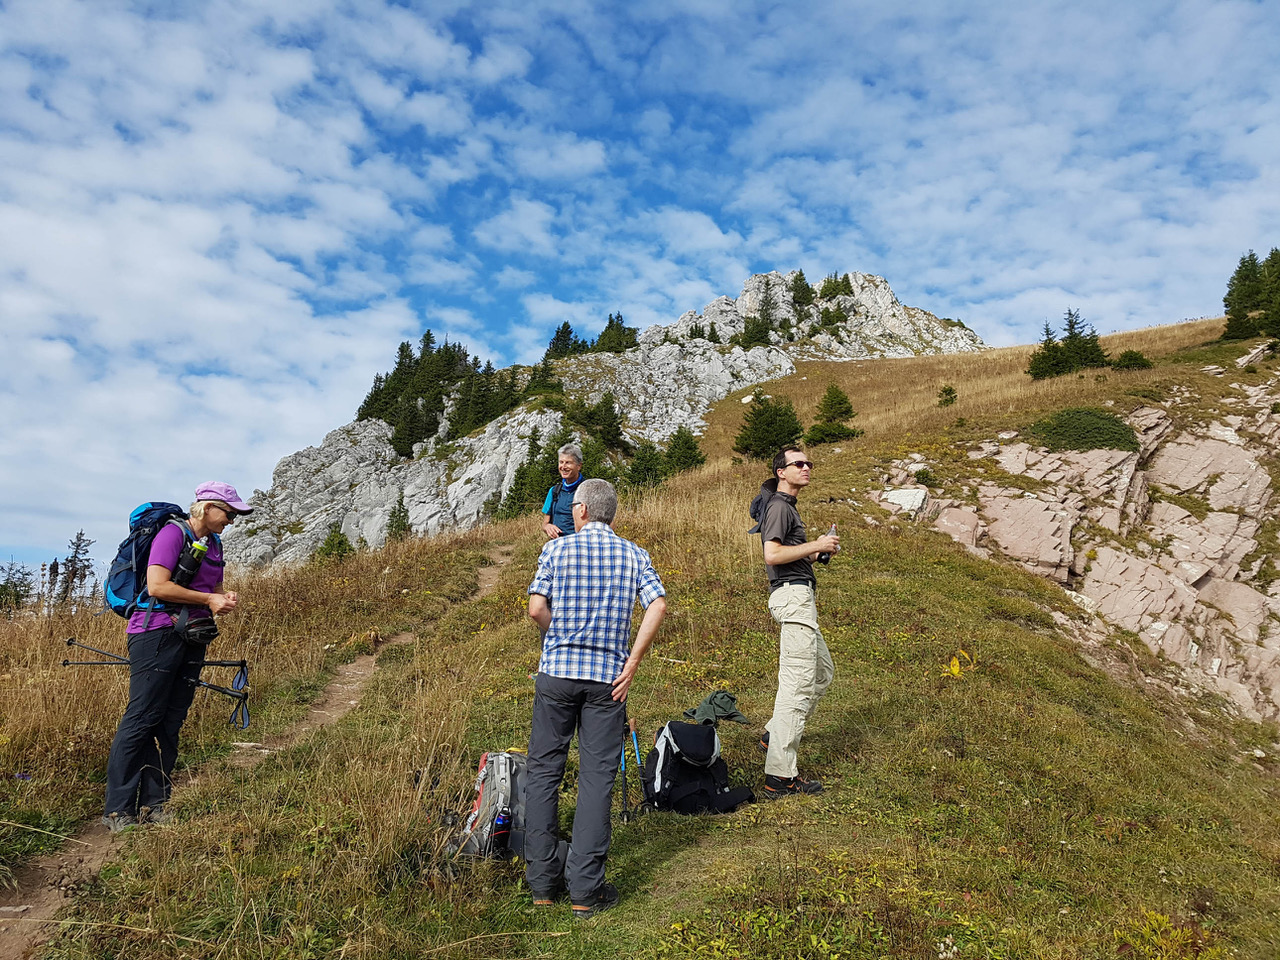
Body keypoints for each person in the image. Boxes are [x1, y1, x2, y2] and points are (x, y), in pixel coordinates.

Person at [525, 478, 667, 918]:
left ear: (582, 510)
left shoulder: (557, 549)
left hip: (557, 676)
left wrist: (561, 637)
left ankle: (543, 884)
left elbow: (535, 608)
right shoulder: (634, 555)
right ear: (613, 514)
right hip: (609, 681)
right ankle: (585, 891)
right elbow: (658, 603)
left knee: (545, 771)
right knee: (596, 779)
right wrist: (632, 662)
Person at [102, 481, 252, 831]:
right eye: (229, 513)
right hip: (155, 632)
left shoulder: (214, 543)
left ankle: (155, 804)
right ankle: (117, 809)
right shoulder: (173, 534)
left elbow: (211, 587)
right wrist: (208, 601)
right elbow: (157, 586)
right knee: (142, 717)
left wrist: (221, 597)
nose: (231, 520)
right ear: (208, 506)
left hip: (192, 635)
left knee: (171, 721)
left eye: (234, 515)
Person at [749, 448, 838, 796]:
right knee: (797, 685)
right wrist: (814, 543)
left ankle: (774, 733)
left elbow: (791, 554)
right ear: (780, 472)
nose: (806, 468)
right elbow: (772, 554)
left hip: (799, 595)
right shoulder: (779, 507)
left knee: (821, 672)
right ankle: (780, 777)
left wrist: (818, 552)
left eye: (809, 464)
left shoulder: (786, 508)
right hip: (792, 596)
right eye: (798, 464)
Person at [540, 443, 586, 538]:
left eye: (568, 462)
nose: (563, 467)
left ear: (579, 466)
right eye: (561, 462)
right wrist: (547, 527)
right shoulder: (554, 491)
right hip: (558, 545)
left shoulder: (587, 490)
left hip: (579, 547)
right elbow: (545, 524)